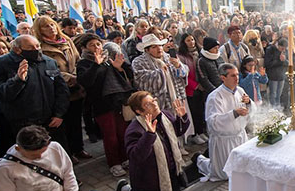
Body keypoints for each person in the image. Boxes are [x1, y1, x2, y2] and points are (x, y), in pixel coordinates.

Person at [0, 35, 70, 151]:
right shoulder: (0, 64)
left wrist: (59, 114)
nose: (36, 50)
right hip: (23, 124)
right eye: (30, 48)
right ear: (17, 49)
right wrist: (17, 80)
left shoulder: (48, 61)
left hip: (51, 121)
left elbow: (61, 89)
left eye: (37, 46)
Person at [113, 92, 190, 191]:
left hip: (169, 170)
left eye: (154, 100)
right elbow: (136, 157)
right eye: (149, 104)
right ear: (139, 111)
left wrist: (183, 118)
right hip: (149, 178)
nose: (155, 104)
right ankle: (124, 189)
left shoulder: (164, 115)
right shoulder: (134, 129)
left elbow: (178, 131)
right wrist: (149, 134)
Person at [76, 35, 135, 177]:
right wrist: (96, 65)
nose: (97, 47)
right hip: (101, 105)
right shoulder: (84, 63)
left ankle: (125, 158)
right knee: (110, 136)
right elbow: (86, 82)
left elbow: (126, 76)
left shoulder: (108, 60)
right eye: (92, 45)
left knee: (122, 132)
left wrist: (119, 68)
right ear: (84, 48)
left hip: (117, 102)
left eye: (98, 44)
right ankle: (114, 163)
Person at [34, 16, 90, 161]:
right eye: (46, 26)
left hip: (75, 87)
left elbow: (78, 60)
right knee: (63, 124)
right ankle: (68, 153)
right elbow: (47, 69)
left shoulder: (66, 40)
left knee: (76, 121)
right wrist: (67, 77)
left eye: (52, 25)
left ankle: (79, 149)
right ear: (39, 30)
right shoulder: (40, 46)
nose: (50, 28)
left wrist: (77, 75)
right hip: (59, 89)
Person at [194, 64, 253, 182]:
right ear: (223, 78)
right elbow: (213, 122)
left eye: (237, 75)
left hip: (240, 136)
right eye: (232, 75)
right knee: (224, 174)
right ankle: (199, 159)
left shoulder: (240, 91)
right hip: (225, 140)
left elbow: (251, 112)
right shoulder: (215, 97)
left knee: (243, 168)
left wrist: (249, 103)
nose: (237, 78)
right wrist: (234, 113)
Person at [132, 34, 189, 114]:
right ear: (147, 50)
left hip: (178, 98)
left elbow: (184, 72)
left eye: (160, 45)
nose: (159, 49)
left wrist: (178, 66)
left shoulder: (168, 57)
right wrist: (160, 72)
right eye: (154, 47)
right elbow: (141, 81)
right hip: (159, 103)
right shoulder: (138, 62)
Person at [264, 38, 288, 108]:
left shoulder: (285, 51)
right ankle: (273, 110)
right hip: (273, 76)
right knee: (273, 95)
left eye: (284, 49)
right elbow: (268, 64)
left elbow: (288, 63)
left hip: (281, 76)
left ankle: (278, 109)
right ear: (278, 45)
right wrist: (279, 60)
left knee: (279, 95)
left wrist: (284, 60)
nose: (283, 50)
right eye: (282, 48)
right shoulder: (270, 50)